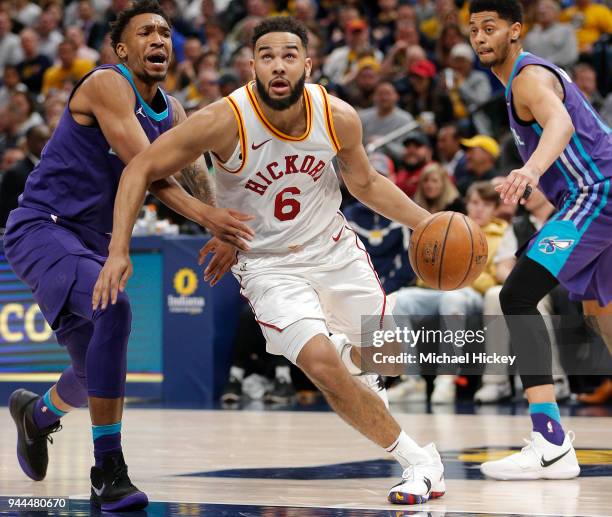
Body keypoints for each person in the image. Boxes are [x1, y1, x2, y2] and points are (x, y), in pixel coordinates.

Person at [94, 16, 449, 506]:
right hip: (269, 266)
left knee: (385, 359)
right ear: (251, 65)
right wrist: (120, 249)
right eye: (266, 56)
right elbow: (141, 167)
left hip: (334, 251)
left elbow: (364, 184)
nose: (277, 66)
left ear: (308, 63)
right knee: (323, 365)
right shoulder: (224, 118)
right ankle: (420, 461)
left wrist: (427, 222)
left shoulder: (338, 115)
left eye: (288, 55)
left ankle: (362, 376)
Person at [4, 1, 250, 511]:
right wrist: (210, 220)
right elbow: (149, 169)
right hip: (42, 228)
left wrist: (223, 227)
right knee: (114, 306)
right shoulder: (105, 84)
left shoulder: (174, 111)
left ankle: (38, 415)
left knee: (95, 373)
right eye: (146, 32)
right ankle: (107, 470)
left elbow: (194, 175)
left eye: (165, 32)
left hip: (88, 242)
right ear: (122, 48)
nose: (159, 39)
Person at [469, 0, 611, 481]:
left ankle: (550, 443)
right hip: (591, 194)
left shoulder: (529, 78)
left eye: (490, 28)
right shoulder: (519, 83)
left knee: (517, 294)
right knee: (599, 310)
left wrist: (529, 170)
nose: (481, 37)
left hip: (599, 194)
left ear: (515, 31)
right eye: (473, 30)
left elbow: (562, 124)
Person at [394, 181, 514, 404]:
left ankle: (446, 380)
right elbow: (427, 266)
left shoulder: (503, 233)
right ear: (467, 204)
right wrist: (435, 277)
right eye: (475, 203)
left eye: (486, 204)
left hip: (475, 294)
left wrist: (462, 276)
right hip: (439, 288)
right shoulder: (448, 226)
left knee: (453, 298)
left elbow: (495, 277)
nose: (479, 209)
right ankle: (412, 381)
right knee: (400, 300)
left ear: (495, 209)